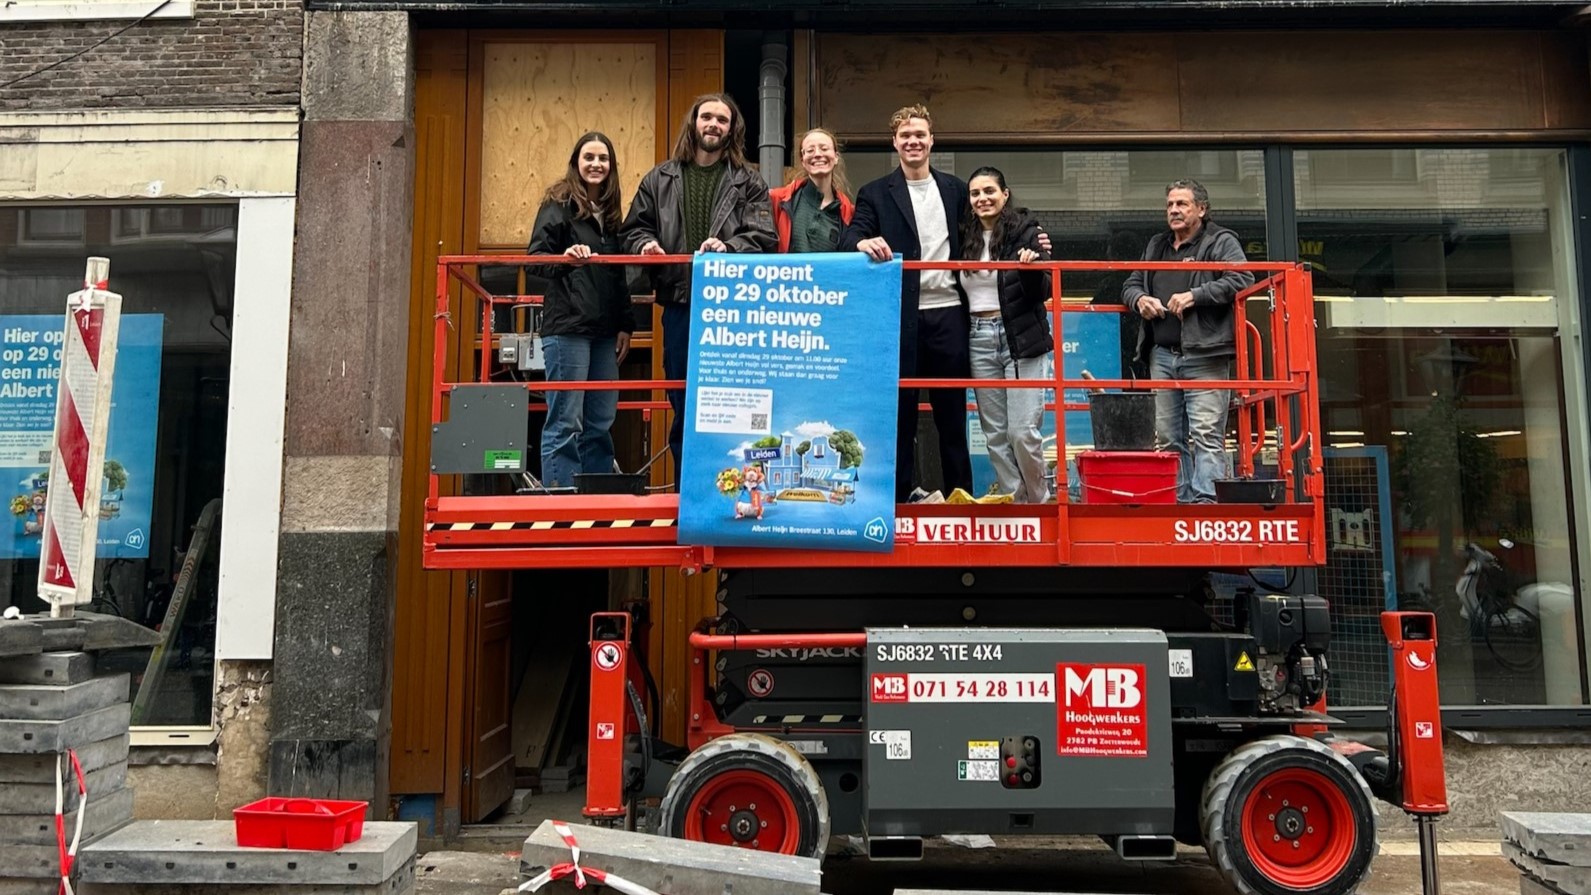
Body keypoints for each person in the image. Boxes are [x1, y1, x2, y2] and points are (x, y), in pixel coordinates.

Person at [622, 93, 777, 461]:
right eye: (706, 117)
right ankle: (683, 496)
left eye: (722, 120)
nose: (713, 125)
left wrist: (730, 247)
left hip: (733, 312)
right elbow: (632, 230)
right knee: (683, 399)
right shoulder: (658, 178)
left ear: (731, 129)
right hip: (680, 304)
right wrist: (646, 245)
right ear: (694, 123)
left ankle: (727, 491)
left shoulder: (749, 181)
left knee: (735, 403)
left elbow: (764, 237)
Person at [839, 104, 975, 502]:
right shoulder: (876, 193)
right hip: (902, 317)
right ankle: (898, 499)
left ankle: (960, 497)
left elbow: (992, 224)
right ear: (895, 143)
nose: (913, 141)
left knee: (953, 417)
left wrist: (1032, 236)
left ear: (931, 140)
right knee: (901, 414)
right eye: (905, 136)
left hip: (949, 312)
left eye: (920, 134)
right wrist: (862, 241)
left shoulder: (956, 189)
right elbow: (849, 237)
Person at [1121, 179, 1254, 504]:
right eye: (1170, 205)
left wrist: (1196, 295)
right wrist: (1140, 300)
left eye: (1182, 204)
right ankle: (1177, 503)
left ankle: (1206, 505)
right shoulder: (1156, 245)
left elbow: (1243, 277)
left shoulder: (1220, 241)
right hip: (1162, 355)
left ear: (1201, 209)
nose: (1174, 211)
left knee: (1206, 433)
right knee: (1167, 437)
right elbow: (1130, 282)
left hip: (1205, 354)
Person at [525, 131, 633, 489]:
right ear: (576, 163)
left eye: (603, 159)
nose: (596, 164)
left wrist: (625, 326)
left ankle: (597, 499)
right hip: (568, 327)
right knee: (566, 419)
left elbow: (619, 276)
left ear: (611, 167)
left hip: (604, 332)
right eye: (589, 157)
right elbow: (535, 260)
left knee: (601, 417)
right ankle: (561, 500)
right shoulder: (559, 203)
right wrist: (565, 259)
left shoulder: (613, 214)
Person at [959, 166, 1052, 503]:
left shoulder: (1027, 231)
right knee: (994, 433)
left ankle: (1040, 501)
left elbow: (1044, 290)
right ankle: (1016, 500)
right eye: (975, 193)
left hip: (1021, 337)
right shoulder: (963, 236)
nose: (982, 198)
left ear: (1005, 194)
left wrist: (1030, 268)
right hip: (978, 336)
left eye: (989, 191)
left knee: (1022, 430)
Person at [769, 128, 855, 253]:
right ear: (803, 161)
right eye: (810, 150)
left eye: (824, 149)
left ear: (836, 157)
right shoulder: (777, 200)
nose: (818, 154)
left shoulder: (848, 213)